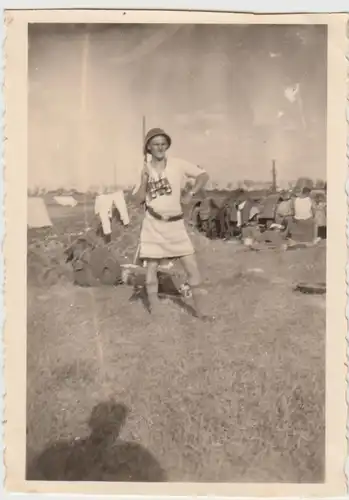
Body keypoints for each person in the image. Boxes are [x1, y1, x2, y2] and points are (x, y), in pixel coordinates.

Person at [133, 127, 212, 320]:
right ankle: (156, 311)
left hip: (175, 225)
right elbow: (137, 200)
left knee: (192, 268)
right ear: (148, 148)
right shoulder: (144, 169)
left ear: (167, 146)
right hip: (153, 223)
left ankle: (202, 313)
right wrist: (144, 180)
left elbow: (203, 175)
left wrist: (191, 192)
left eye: (163, 144)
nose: (160, 148)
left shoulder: (177, 164)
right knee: (151, 267)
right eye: (155, 144)